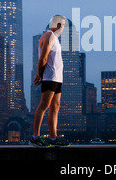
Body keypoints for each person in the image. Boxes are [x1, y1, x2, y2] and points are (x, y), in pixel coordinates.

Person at [31, 15, 70, 147]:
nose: (63, 28)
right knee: (44, 105)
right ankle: (35, 138)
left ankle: (53, 139)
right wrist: (40, 75)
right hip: (50, 76)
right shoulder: (49, 36)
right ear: (57, 25)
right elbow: (43, 58)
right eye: (63, 25)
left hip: (57, 78)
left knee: (55, 106)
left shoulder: (54, 38)